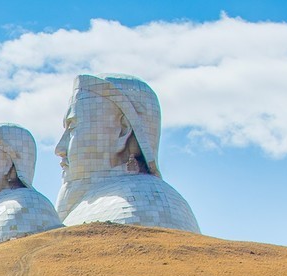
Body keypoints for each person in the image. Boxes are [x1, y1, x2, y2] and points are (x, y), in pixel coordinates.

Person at [54, 73, 199, 232]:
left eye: (73, 127)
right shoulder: (91, 202)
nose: (60, 149)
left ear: (122, 131)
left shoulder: (143, 204)